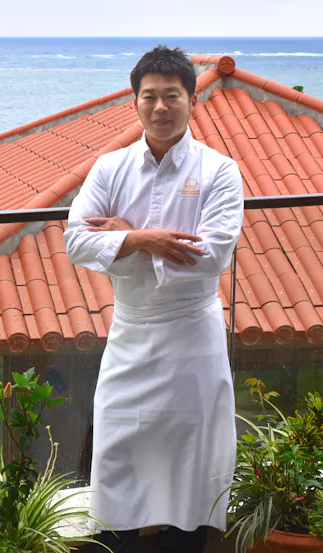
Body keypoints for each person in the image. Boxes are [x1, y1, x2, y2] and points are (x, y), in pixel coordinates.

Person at [64, 46, 244, 553]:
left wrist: (127, 234)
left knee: (191, 455)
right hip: (132, 330)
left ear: (192, 101)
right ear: (135, 101)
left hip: (192, 334)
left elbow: (210, 255)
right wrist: (145, 240)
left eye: (172, 96)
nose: (161, 107)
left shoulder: (220, 171)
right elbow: (76, 240)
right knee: (119, 448)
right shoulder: (108, 167)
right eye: (150, 97)